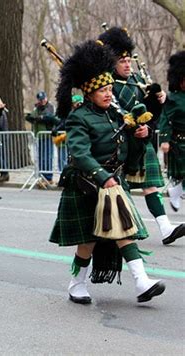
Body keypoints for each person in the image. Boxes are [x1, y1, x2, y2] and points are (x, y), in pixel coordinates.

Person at [50, 40, 165, 305]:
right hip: (87, 185)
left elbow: (129, 153)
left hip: (115, 183)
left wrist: (140, 136)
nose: (108, 93)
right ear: (90, 91)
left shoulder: (116, 116)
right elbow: (80, 154)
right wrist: (103, 176)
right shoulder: (79, 118)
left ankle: (141, 281)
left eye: (110, 88)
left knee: (125, 231)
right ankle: (77, 283)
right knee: (88, 242)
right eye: (102, 89)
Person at [99, 27, 185, 244]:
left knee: (151, 185)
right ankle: (117, 230)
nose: (128, 64)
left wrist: (157, 104)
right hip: (117, 145)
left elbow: (150, 112)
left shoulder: (138, 81)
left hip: (141, 140)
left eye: (129, 60)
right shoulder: (105, 84)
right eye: (122, 60)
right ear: (112, 63)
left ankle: (165, 228)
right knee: (119, 189)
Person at [159, 50, 185, 220]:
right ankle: (175, 192)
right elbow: (164, 120)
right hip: (179, 142)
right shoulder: (173, 99)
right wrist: (164, 140)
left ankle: (175, 191)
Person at [25, 91, 60, 184]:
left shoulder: (50, 107)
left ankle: (48, 177)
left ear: (46, 98)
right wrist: (35, 118)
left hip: (47, 135)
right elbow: (30, 117)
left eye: (43, 99)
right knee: (40, 158)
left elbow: (50, 117)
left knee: (47, 157)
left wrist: (40, 118)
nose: (42, 101)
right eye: (40, 100)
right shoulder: (36, 108)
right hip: (38, 136)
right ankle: (42, 177)